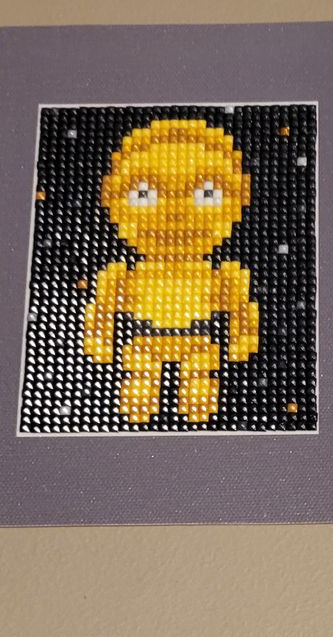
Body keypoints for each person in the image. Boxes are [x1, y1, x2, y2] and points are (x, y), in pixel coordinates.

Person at [83, 120, 259, 425]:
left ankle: (195, 416)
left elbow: (240, 308)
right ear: (109, 195)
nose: (175, 212)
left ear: (241, 195)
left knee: (199, 391)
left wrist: (241, 337)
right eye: (144, 193)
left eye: (206, 193)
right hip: (143, 343)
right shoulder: (122, 277)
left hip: (198, 344)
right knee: (139, 387)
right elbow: (103, 308)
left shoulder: (221, 277)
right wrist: (100, 340)